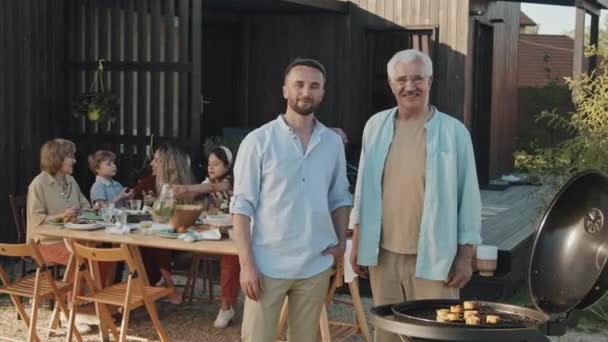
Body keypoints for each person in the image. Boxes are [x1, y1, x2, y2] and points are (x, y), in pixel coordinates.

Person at [349, 49, 482, 341]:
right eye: (402, 80)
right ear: (391, 84)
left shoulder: (454, 132)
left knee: (436, 334)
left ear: (430, 81)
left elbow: (469, 197)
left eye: (418, 79)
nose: (410, 87)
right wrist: (357, 241)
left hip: (437, 258)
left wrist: (465, 256)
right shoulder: (375, 126)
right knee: (387, 334)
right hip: (383, 256)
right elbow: (363, 190)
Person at [230, 58, 352, 342]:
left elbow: (339, 196)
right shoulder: (258, 141)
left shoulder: (332, 144)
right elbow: (241, 207)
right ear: (285, 90)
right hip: (266, 265)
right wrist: (246, 264)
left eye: (314, 86)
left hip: (315, 264)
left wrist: (341, 244)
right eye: (299, 84)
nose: (305, 92)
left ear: (322, 93)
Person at [25, 138, 107, 333]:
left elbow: (85, 207)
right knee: (79, 259)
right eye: (70, 156)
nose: (74, 160)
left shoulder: (70, 180)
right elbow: (37, 221)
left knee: (104, 256)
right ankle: (71, 311)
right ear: (57, 158)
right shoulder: (38, 184)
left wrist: (94, 210)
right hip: (45, 243)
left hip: (74, 240)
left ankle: (99, 306)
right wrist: (61, 216)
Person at [173, 146, 238, 328]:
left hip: (233, 232)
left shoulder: (230, 181)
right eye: (209, 164)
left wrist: (186, 188)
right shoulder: (206, 182)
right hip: (211, 231)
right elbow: (201, 193)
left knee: (230, 258)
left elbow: (211, 187)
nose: (211, 167)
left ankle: (226, 306)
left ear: (228, 165)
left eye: (216, 164)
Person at [139, 144, 196, 304]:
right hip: (156, 234)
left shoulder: (181, 187)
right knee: (148, 243)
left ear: (168, 164)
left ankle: (163, 285)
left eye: (156, 160)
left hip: (180, 234)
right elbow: (130, 199)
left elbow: (174, 214)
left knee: (155, 243)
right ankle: (156, 286)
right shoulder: (149, 181)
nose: (151, 163)